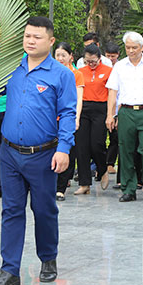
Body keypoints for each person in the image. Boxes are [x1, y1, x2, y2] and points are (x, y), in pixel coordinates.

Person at [0, 17, 77, 285]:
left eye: (37, 37)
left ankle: (48, 259)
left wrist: (63, 149)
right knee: (11, 210)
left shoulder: (61, 74)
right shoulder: (9, 70)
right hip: (10, 153)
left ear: (50, 41)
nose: (30, 40)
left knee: (44, 209)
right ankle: (9, 269)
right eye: (27, 36)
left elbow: (68, 113)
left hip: (43, 155)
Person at [105, 32, 143, 202]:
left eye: (134, 47)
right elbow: (112, 91)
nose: (131, 51)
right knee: (125, 150)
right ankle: (128, 188)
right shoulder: (119, 66)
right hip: (126, 111)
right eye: (128, 47)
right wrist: (110, 115)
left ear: (142, 48)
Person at [76, 44, 112, 194]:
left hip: (101, 108)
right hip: (84, 108)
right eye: (87, 61)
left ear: (100, 58)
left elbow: (112, 93)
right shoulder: (80, 72)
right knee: (82, 146)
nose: (90, 64)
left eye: (93, 61)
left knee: (96, 143)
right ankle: (84, 183)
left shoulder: (109, 71)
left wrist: (111, 114)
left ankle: (102, 169)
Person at [54, 43, 84, 201]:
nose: (60, 58)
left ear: (70, 57)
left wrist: (76, 118)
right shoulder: (50, 72)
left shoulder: (76, 74)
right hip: (50, 120)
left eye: (63, 55)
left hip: (67, 119)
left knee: (67, 152)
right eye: (57, 55)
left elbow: (78, 99)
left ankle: (61, 188)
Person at [103, 41, 121, 177]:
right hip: (104, 106)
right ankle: (104, 164)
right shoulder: (102, 67)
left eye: (113, 56)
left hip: (119, 107)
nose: (110, 59)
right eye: (108, 56)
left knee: (116, 138)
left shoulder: (122, 67)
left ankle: (112, 164)